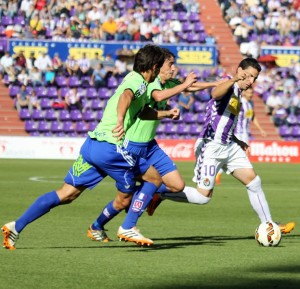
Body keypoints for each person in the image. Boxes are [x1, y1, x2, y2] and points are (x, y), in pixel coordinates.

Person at [1, 44, 166, 250]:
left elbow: (141, 111)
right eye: (159, 67)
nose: (160, 71)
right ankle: (127, 226)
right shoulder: (138, 81)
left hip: (92, 146)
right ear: (153, 66)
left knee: (67, 194)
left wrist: (165, 114)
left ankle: (16, 226)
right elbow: (126, 96)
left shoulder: (135, 82)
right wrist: (120, 120)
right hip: (111, 147)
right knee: (154, 178)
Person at [87, 48, 224, 245]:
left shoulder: (167, 83)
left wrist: (213, 83)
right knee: (123, 199)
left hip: (150, 145)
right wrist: (182, 87)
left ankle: (151, 195)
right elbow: (159, 97)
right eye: (170, 65)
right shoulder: (150, 85)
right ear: (157, 67)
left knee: (177, 185)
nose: (173, 68)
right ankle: (100, 226)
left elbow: (188, 88)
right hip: (132, 145)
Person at [146, 58, 295, 235]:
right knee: (203, 198)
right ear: (240, 71)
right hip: (211, 146)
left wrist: (237, 141)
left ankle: (269, 225)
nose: (251, 82)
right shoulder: (228, 82)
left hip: (229, 145)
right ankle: (160, 194)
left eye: (254, 78)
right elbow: (215, 94)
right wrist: (233, 79)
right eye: (249, 77)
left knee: (254, 182)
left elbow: (224, 121)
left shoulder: (239, 93)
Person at [215, 86, 267, 185]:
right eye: (249, 93)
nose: (250, 95)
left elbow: (252, 117)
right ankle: (247, 177)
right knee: (241, 155)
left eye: (252, 93)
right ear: (244, 93)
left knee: (242, 155)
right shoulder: (240, 102)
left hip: (245, 133)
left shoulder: (250, 103)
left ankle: (225, 173)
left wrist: (260, 129)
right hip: (238, 133)